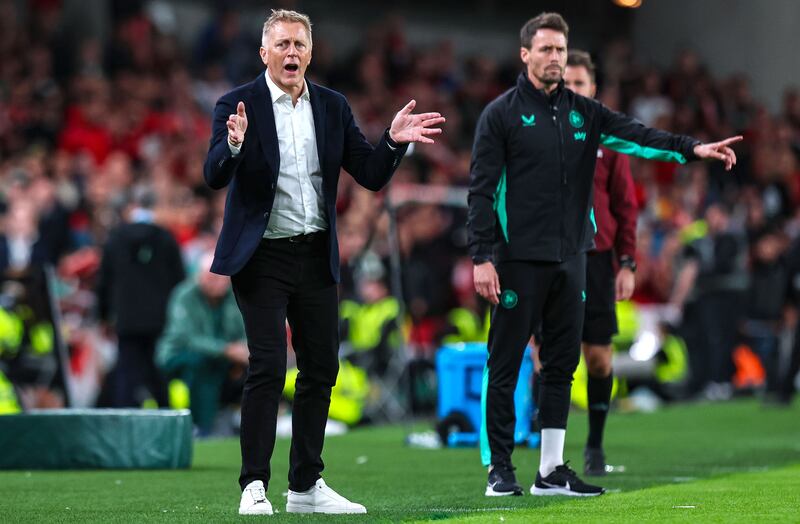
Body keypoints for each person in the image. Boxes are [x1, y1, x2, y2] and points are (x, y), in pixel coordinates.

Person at [469, 12, 741, 497]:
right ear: (526, 55)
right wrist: (482, 256)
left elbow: (639, 135)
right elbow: (482, 191)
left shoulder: (585, 114)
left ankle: (550, 471)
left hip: (573, 256)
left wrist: (692, 149)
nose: (554, 57)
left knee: (561, 365)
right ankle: (500, 470)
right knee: (506, 362)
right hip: (516, 260)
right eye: (546, 49)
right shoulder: (501, 114)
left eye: (560, 49)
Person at [203, 9, 444, 516]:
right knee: (268, 365)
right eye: (282, 44)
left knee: (322, 367)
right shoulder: (237, 104)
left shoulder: (333, 106)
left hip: (314, 254)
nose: (292, 53)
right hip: (261, 256)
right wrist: (233, 144)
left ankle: (305, 486)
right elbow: (213, 175)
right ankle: (253, 485)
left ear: (310, 53)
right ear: (264, 53)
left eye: (300, 45)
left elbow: (371, 174)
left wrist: (394, 141)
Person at [562, 50, 638, 477]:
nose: (573, 91)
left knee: (599, 358)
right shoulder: (544, 133)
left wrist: (627, 262)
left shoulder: (608, 139)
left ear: (593, 90)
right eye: (566, 84)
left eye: (580, 84)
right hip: (553, 256)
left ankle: (594, 444)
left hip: (598, 260)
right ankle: (546, 447)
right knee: (551, 356)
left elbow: (626, 206)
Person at [96, 190, 185, 408]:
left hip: (126, 319)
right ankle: (168, 421)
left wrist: (104, 316)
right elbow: (179, 280)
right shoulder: (166, 238)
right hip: (160, 319)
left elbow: (104, 282)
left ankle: (124, 426)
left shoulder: (115, 239)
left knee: (127, 375)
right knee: (159, 372)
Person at [155, 252, 248, 436]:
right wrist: (228, 350)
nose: (217, 282)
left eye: (221, 277)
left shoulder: (234, 296)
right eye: (211, 277)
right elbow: (188, 338)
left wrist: (243, 352)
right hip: (177, 354)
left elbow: (246, 329)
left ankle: (248, 426)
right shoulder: (184, 295)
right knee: (202, 364)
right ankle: (203, 427)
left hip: (220, 357)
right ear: (199, 276)